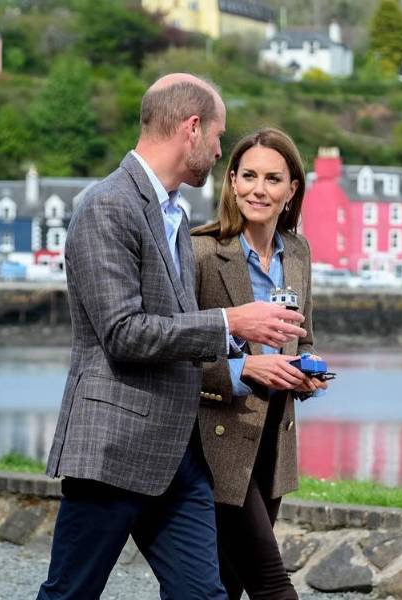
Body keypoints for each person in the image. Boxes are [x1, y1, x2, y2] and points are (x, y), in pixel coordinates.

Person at [37, 75, 307, 600]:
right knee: (70, 593)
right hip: (113, 449)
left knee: (205, 597)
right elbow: (123, 333)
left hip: (180, 454)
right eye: (218, 136)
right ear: (191, 128)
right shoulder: (107, 206)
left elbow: (177, 330)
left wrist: (257, 353)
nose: (219, 149)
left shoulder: (174, 214)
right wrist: (232, 324)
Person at [191, 127, 329, 600]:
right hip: (215, 445)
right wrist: (245, 371)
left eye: (273, 179)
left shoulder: (299, 254)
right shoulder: (201, 252)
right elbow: (174, 356)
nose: (258, 189)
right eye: (248, 175)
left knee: (227, 585)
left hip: (274, 441)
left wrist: (306, 374)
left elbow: (301, 336)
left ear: (292, 190)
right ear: (231, 181)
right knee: (272, 584)